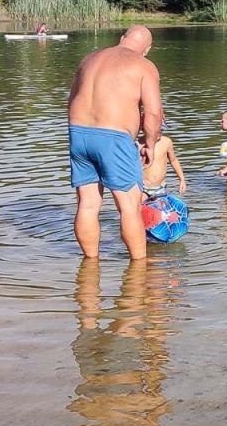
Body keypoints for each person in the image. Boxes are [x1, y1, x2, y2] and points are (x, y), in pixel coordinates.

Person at [67, 25, 164, 260]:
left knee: (88, 205)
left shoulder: (89, 59)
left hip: (78, 133)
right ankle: (139, 269)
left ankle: (90, 264)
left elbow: (70, 99)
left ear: (122, 38)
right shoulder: (143, 65)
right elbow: (153, 113)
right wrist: (149, 144)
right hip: (114, 138)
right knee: (129, 206)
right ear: (147, 49)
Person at [138, 121, 187, 201]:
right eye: (157, 131)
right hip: (143, 186)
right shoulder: (140, 143)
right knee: (140, 206)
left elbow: (173, 160)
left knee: (161, 209)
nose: (159, 133)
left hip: (160, 187)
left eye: (161, 130)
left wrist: (182, 179)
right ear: (145, 130)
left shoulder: (166, 142)